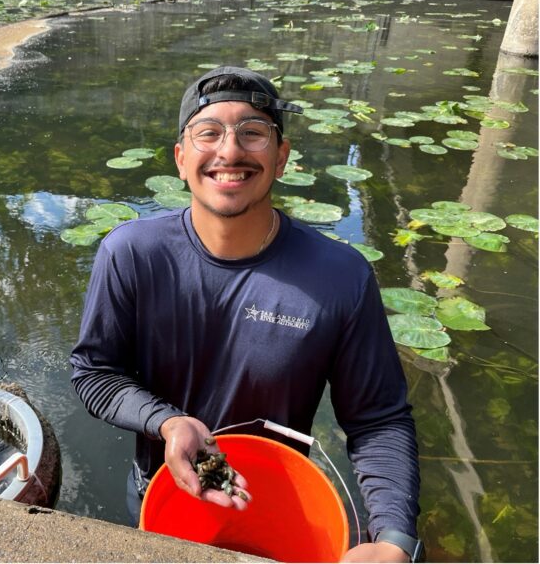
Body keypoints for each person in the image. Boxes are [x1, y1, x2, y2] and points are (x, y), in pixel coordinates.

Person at [70, 66, 422, 563]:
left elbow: (378, 419)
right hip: (162, 489)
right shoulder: (131, 252)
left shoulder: (341, 276)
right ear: (180, 158)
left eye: (253, 133)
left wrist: (393, 541)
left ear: (281, 157)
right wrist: (168, 423)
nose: (230, 152)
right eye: (208, 133)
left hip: (280, 503)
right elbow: (95, 374)